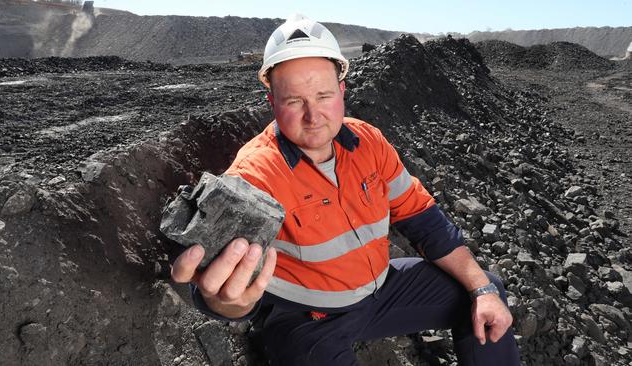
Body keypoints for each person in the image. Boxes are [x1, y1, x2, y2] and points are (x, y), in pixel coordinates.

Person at [171, 14, 520, 365]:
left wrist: (483, 290)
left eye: (323, 95)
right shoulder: (256, 175)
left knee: (485, 290)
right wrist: (227, 303)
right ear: (272, 103)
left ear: (342, 90)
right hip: (306, 319)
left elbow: (422, 219)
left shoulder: (369, 142)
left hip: (382, 292)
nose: (313, 116)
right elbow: (225, 289)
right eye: (294, 101)